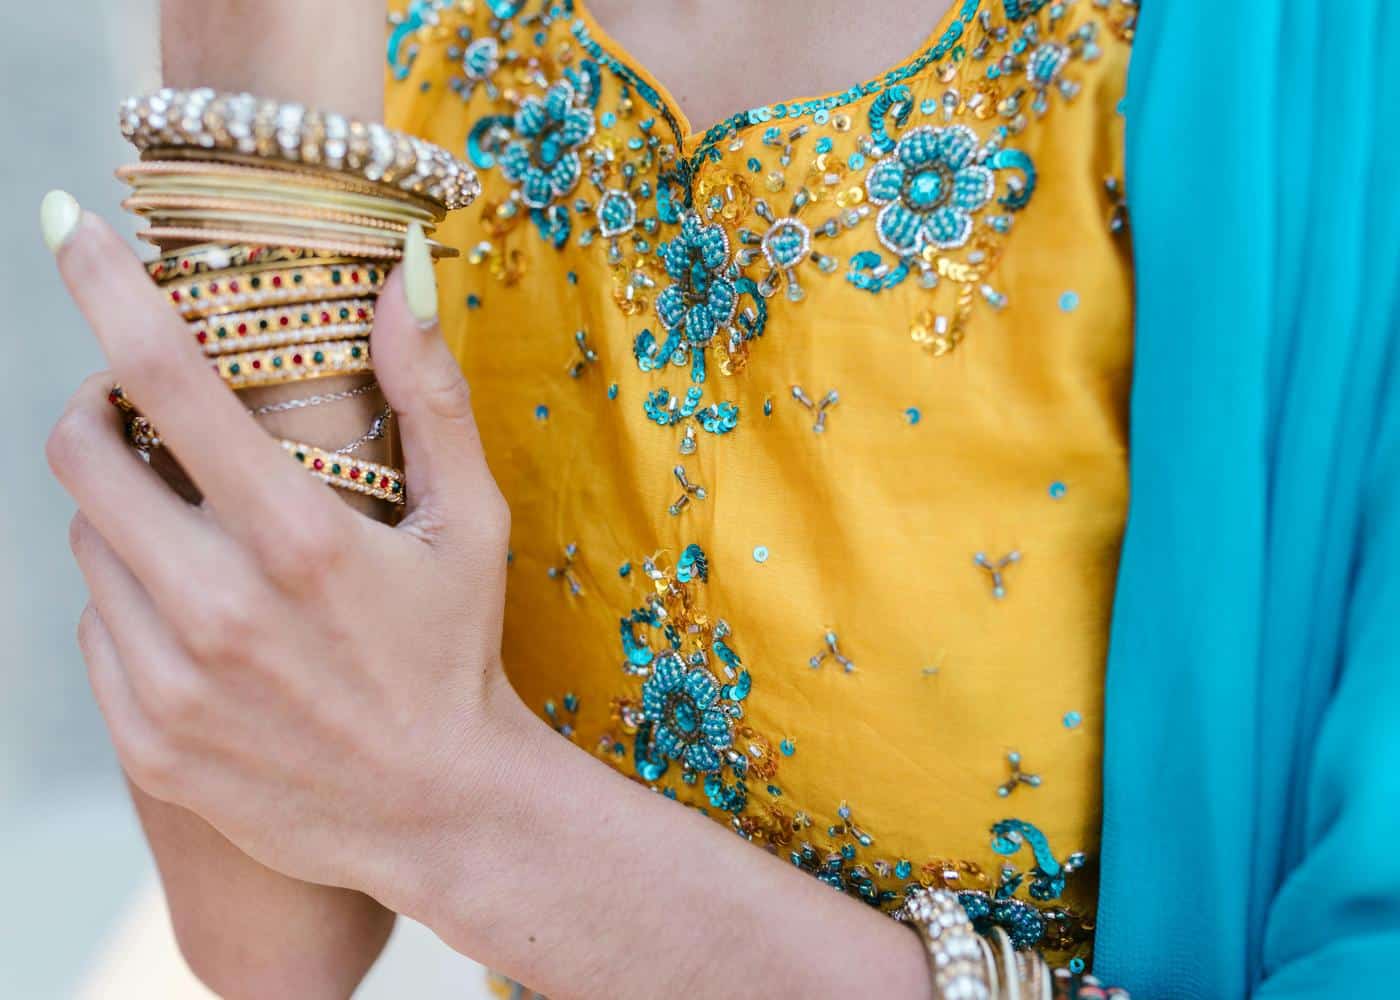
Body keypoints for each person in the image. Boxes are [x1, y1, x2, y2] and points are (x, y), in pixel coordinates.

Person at [40, 1, 1400, 997]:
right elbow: (277, 942)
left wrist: (457, 810)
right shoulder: (413, 32)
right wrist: (257, 85)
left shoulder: (1304, 68)